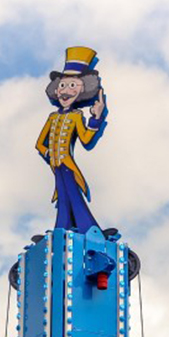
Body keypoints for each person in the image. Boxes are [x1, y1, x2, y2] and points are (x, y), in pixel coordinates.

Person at [35, 46, 108, 231]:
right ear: (56, 90)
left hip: (67, 164)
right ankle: (62, 228)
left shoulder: (76, 117)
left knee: (74, 195)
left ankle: (89, 228)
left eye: (73, 85)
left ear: (83, 90)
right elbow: (39, 144)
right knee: (63, 198)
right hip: (57, 165)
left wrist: (96, 118)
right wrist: (49, 155)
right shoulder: (52, 117)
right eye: (62, 85)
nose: (66, 90)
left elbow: (85, 139)